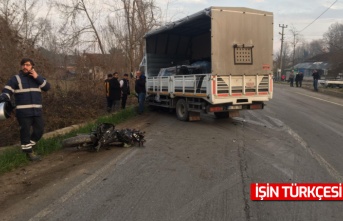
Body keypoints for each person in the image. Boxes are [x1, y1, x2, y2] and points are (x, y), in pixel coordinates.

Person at [0, 58, 50, 161]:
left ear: (32, 66)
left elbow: (47, 87)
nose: (25, 67)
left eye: (27, 65)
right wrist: (4, 97)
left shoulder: (38, 79)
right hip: (23, 113)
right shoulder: (16, 79)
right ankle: (29, 154)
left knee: (39, 131)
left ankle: (27, 147)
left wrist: (37, 77)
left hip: (37, 111)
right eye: (23, 65)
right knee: (25, 133)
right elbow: (7, 90)